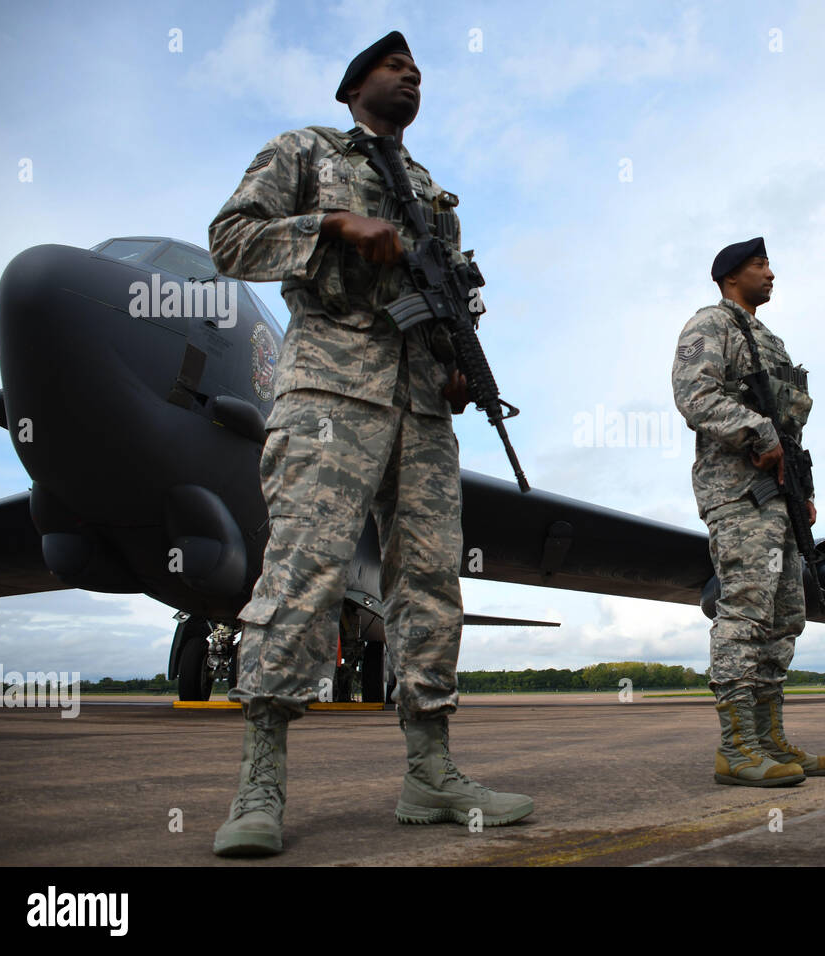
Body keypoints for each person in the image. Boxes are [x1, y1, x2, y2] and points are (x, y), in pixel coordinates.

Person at [207, 30, 532, 857]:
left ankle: (430, 771)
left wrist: (464, 369)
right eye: (396, 67)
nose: (412, 76)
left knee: (430, 583)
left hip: (423, 405)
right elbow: (233, 238)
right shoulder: (305, 149)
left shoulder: (434, 196)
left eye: (418, 71)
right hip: (330, 388)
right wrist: (336, 225)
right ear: (356, 86)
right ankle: (261, 780)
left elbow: (457, 296)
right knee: (307, 567)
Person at [670, 237, 825, 787]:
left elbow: (790, 428)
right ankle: (736, 747)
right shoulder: (710, 324)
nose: (772, 273)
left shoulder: (772, 340)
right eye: (760, 265)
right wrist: (759, 432)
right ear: (729, 276)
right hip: (739, 494)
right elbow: (694, 396)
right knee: (744, 611)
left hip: (780, 497)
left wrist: (803, 490)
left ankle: (770, 739)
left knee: (784, 617)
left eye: (769, 264)